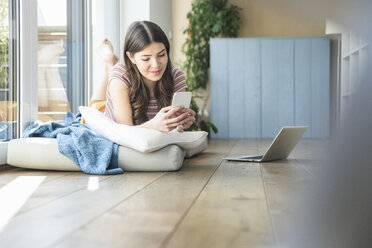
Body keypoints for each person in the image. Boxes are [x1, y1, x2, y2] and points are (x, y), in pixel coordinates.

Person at [88, 21, 195, 132]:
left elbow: (175, 130)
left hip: (123, 102)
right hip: (101, 114)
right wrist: (154, 125)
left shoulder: (176, 75)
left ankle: (111, 62)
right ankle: (109, 61)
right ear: (131, 57)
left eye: (161, 55)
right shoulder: (120, 76)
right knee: (112, 72)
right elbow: (124, 132)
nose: (156, 65)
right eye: (146, 58)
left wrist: (180, 123)